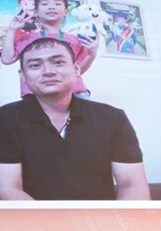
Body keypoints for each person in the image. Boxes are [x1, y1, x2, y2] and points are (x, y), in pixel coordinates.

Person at [0, 38, 149, 200]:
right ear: (23, 75)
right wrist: (51, 225)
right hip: (34, 222)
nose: (48, 71)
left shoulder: (112, 118)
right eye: (35, 65)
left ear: (76, 69)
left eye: (58, 62)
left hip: (100, 222)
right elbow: (8, 188)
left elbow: (132, 185)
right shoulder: (6, 119)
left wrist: (117, 224)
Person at [1, 0, 99, 97]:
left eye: (57, 4)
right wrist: (12, 29)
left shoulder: (73, 40)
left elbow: (78, 71)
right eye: (45, 4)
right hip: (35, 96)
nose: (51, 7)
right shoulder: (27, 38)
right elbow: (7, 59)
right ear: (36, 11)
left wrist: (92, 55)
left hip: (74, 94)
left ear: (66, 11)